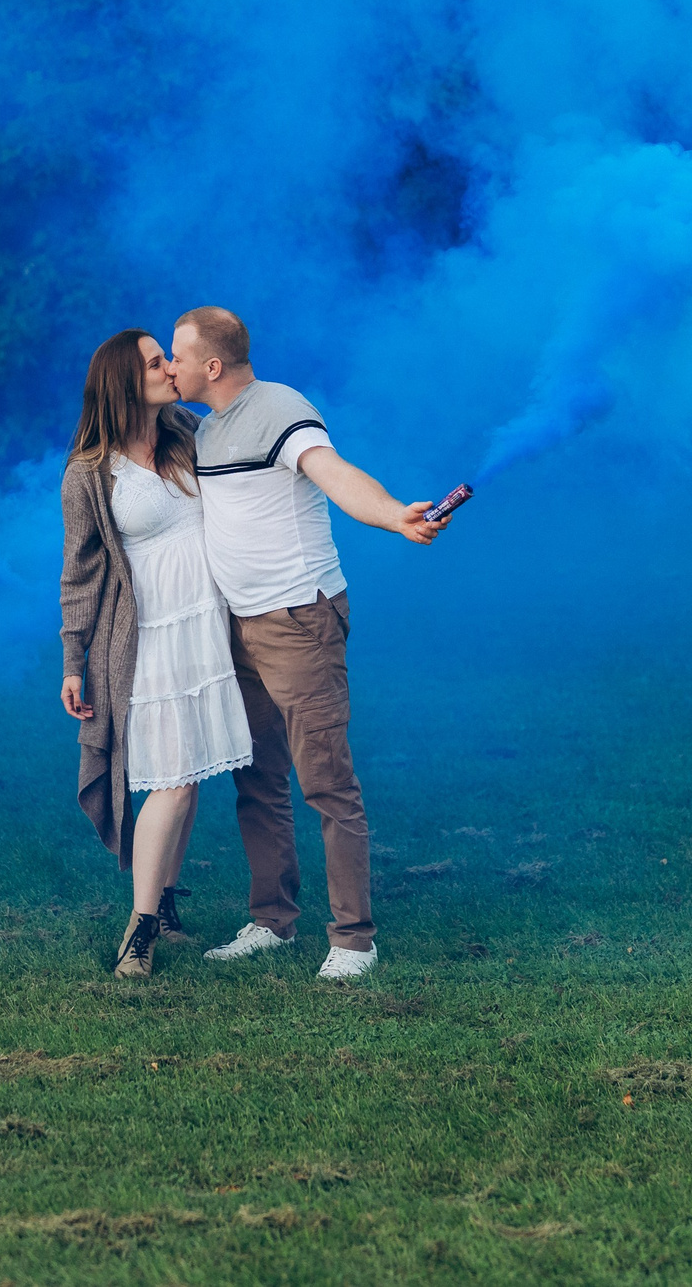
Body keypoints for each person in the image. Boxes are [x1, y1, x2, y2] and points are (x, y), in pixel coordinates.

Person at [167, 305, 445, 980]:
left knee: (326, 781)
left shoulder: (279, 407)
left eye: (176, 355)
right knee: (257, 780)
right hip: (239, 627)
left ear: (212, 365)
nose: (169, 368)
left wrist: (391, 515)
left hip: (299, 623)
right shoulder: (204, 430)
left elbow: (334, 470)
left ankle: (354, 941)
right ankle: (272, 921)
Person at [60, 330, 255, 978]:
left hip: (206, 621)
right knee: (170, 780)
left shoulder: (186, 431)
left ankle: (165, 903)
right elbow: (80, 573)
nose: (170, 368)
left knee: (191, 772)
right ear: (122, 381)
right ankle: (137, 933)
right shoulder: (90, 472)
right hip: (150, 637)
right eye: (154, 363)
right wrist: (72, 659)